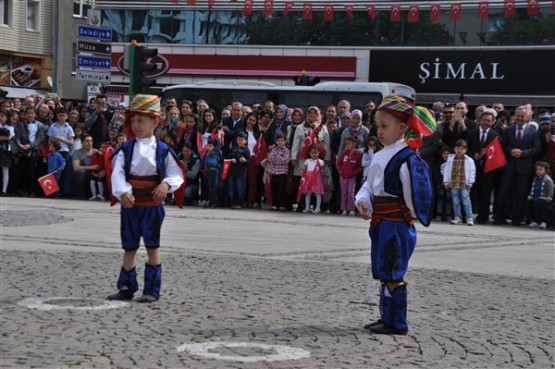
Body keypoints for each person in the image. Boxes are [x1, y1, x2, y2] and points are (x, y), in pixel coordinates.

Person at [355, 94, 436, 335]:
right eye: (377, 126)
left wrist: (407, 214)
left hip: (396, 224)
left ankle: (398, 322)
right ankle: (386, 318)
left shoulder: (408, 159)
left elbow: (414, 193)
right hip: (381, 222)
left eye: (384, 126)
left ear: (402, 128)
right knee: (384, 271)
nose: (379, 132)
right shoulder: (381, 155)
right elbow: (368, 185)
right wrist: (363, 201)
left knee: (393, 271)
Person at [107, 94, 184, 303]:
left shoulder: (162, 149)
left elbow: (175, 172)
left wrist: (166, 184)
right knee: (129, 246)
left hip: (152, 204)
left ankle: (151, 290)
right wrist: (122, 191)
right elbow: (117, 172)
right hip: (130, 203)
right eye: (133, 120)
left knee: (152, 245)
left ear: (155, 121)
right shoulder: (125, 148)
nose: (136, 124)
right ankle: (126, 287)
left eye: (141, 120)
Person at [494, 106, 541, 225]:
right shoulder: (508, 130)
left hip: (524, 168)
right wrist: (510, 151)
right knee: (503, 192)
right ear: (515, 116)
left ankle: (517, 218)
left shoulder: (533, 132)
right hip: (509, 167)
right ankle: (499, 217)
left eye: (522, 116)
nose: (520, 118)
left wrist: (523, 153)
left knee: (521, 194)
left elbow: (537, 149)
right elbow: (502, 146)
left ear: (528, 117)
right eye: (518, 116)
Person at [466, 110, 500, 224]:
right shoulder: (471, 133)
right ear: (480, 120)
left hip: (488, 169)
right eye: (484, 120)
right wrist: (473, 154)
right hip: (472, 168)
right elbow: (466, 148)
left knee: (485, 194)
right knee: (471, 193)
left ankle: (483, 216)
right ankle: (468, 215)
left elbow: (498, 153)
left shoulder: (496, 135)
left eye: (489, 121)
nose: (486, 122)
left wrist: (488, 152)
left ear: (493, 122)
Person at [443, 139, 476, 226]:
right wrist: (446, 182)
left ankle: (469, 218)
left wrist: (470, 182)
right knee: (455, 201)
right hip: (454, 183)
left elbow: (472, 171)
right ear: (454, 149)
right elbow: (446, 170)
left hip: (464, 184)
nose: (459, 150)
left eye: (462, 149)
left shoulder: (469, 160)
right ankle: (458, 217)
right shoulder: (450, 159)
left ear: (465, 150)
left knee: (466, 201)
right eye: (458, 148)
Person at [47, 107, 75, 197]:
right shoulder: (52, 126)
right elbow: (49, 141)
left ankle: (65, 192)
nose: (62, 117)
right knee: (53, 172)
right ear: (57, 116)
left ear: (66, 116)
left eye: (63, 115)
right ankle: (52, 192)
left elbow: (71, 142)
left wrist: (61, 139)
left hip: (64, 151)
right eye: (60, 115)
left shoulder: (69, 128)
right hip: (55, 152)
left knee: (64, 172)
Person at [264, 132, 290, 211]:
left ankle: (282, 205)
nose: (280, 142)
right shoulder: (274, 149)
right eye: (278, 141)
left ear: (285, 141)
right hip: (274, 172)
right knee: (274, 189)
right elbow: (270, 158)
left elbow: (285, 160)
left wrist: (276, 159)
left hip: (282, 173)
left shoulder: (286, 150)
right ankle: (275, 204)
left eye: (282, 140)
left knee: (281, 189)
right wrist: (278, 158)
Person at [337, 136, 363, 215]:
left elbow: (360, 166)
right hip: (343, 177)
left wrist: (354, 173)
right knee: (344, 193)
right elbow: (338, 163)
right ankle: (344, 209)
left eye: (348, 144)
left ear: (354, 144)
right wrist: (340, 171)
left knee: (351, 193)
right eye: (346, 144)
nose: (347, 146)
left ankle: (351, 209)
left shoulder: (357, 155)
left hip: (352, 178)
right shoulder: (344, 153)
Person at [527, 161, 553, 229]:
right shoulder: (536, 179)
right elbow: (533, 188)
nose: (538, 171)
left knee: (543, 211)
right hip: (536, 198)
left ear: (546, 170)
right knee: (536, 210)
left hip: (543, 199)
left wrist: (549, 197)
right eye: (537, 169)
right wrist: (531, 195)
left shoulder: (548, 179)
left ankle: (544, 222)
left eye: (541, 169)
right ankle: (536, 221)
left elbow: (550, 189)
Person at [227, 131, 250, 209]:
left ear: (245, 141)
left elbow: (249, 162)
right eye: (238, 139)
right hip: (232, 171)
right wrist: (231, 159)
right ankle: (232, 202)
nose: (240, 141)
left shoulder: (246, 150)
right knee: (231, 188)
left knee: (240, 188)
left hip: (241, 172)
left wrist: (245, 161)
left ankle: (241, 203)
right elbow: (228, 158)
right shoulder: (233, 148)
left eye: (242, 139)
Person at [301, 144, 325, 214]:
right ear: (309, 153)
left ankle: (317, 208)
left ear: (318, 153)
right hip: (308, 179)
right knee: (308, 193)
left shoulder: (320, 162)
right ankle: (307, 207)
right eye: (312, 153)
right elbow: (304, 170)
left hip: (317, 179)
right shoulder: (307, 161)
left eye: (316, 153)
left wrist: (320, 171)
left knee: (318, 193)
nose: (314, 154)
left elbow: (322, 171)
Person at [201, 138, 222, 208]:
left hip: (214, 171)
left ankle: (213, 202)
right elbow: (203, 161)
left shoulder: (215, 152)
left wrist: (219, 137)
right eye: (208, 145)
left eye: (211, 146)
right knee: (209, 187)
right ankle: (210, 201)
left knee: (214, 187)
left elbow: (218, 145)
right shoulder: (206, 153)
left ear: (214, 147)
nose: (209, 147)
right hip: (208, 171)